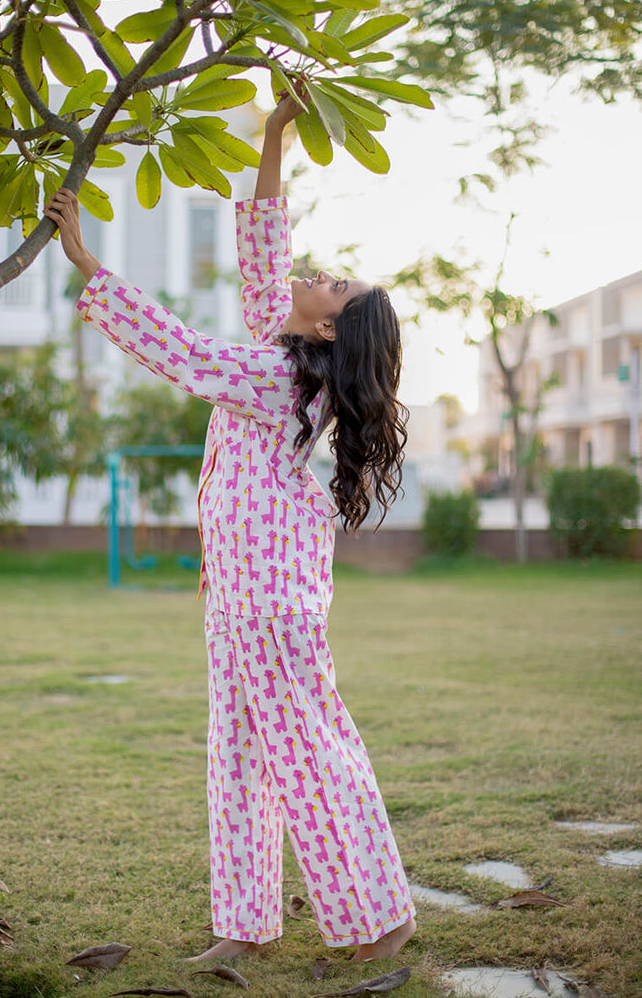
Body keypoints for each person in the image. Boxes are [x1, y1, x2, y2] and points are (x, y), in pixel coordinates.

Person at [44, 93, 415, 964]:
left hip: (269, 603)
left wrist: (87, 263)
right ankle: (242, 927)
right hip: (245, 594)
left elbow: (180, 351)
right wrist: (275, 134)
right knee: (239, 760)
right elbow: (263, 251)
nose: (318, 273)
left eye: (334, 284)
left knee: (309, 756)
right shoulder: (284, 353)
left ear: (326, 324)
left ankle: (379, 919)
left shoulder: (274, 377)